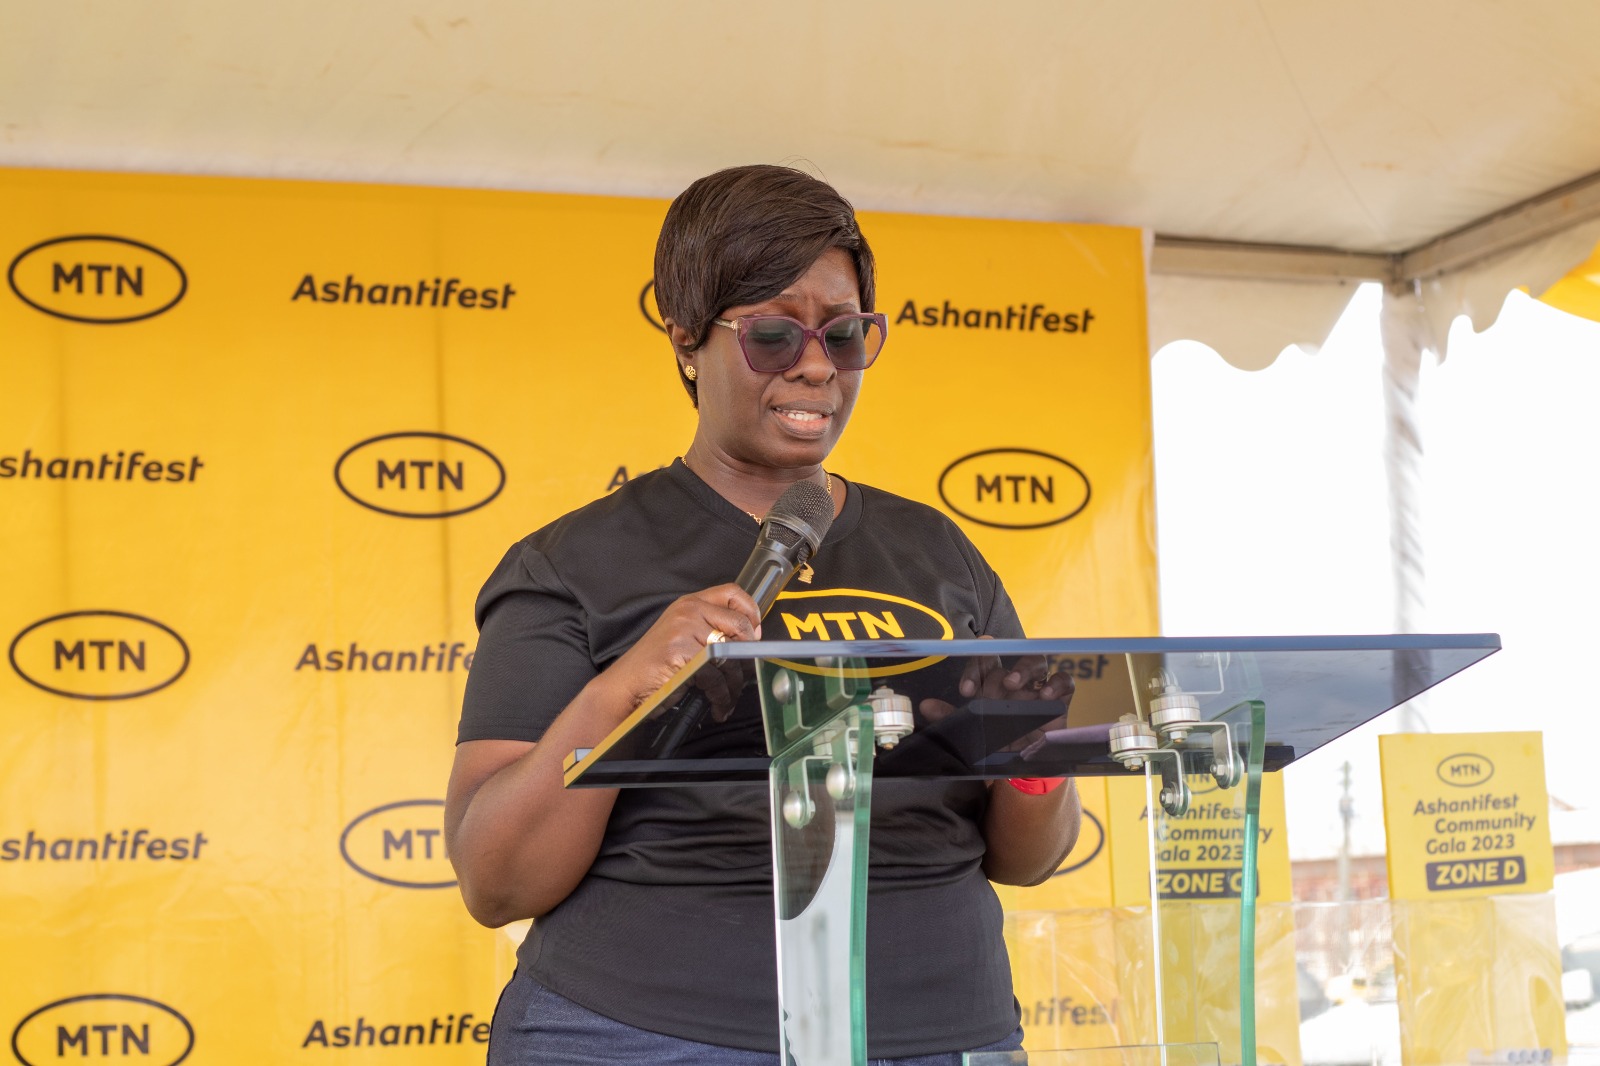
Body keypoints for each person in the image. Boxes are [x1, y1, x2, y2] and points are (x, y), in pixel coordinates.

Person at [445, 164, 1082, 1065]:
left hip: (946, 1035)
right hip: (644, 1039)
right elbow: (496, 881)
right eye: (775, 334)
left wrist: (1034, 757)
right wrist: (624, 692)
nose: (816, 366)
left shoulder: (940, 553)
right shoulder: (570, 565)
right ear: (685, 338)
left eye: (845, 335)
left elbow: (1029, 857)